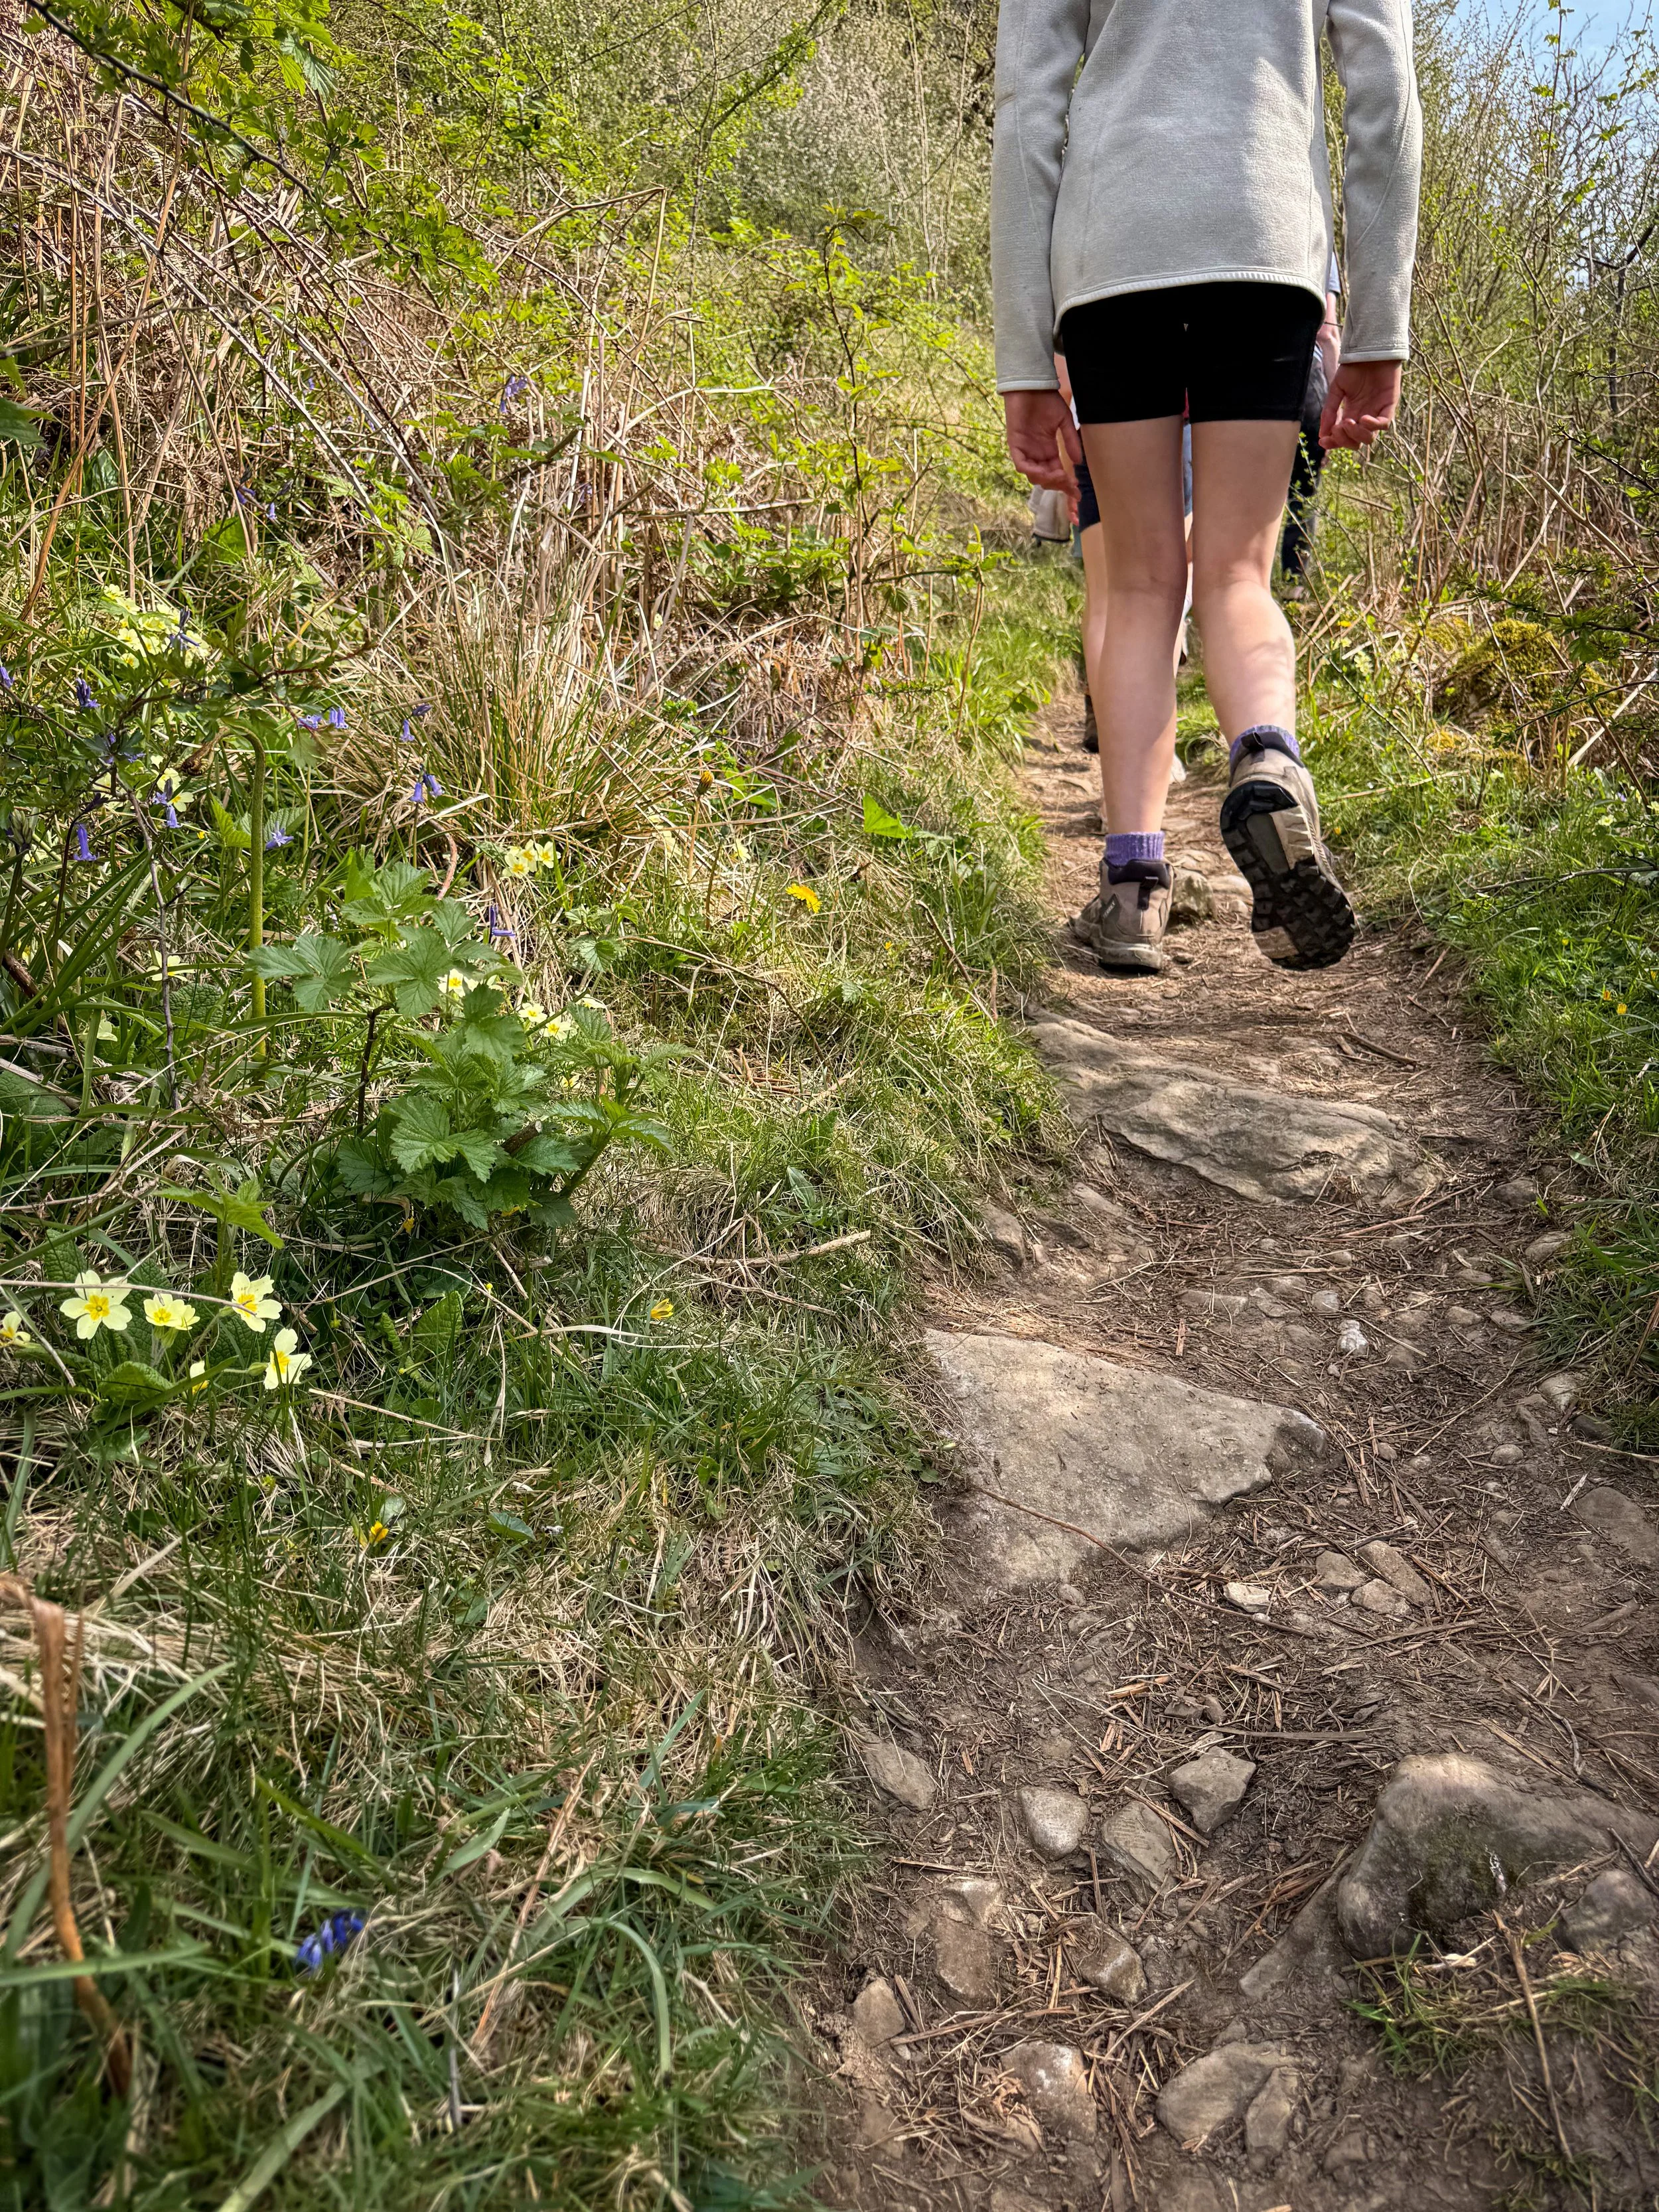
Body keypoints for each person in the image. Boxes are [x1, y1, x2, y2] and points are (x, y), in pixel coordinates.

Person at [992, 0, 1420, 975]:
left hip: (1112, 262)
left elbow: (1026, 105)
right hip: (1263, 247)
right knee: (1236, 570)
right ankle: (1267, 756)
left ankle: (1133, 888)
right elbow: (1383, 85)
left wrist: (1024, 356)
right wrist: (1379, 324)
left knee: (1141, 586)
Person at [1280, 262, 1344, 595]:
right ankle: (1293, 588)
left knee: (1248, 490)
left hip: (1244, 374)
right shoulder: (1323, 248)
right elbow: (1327, 333)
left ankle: (1240, 588)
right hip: (1305, 378)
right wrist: (1335, 411)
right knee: (1303, 490)